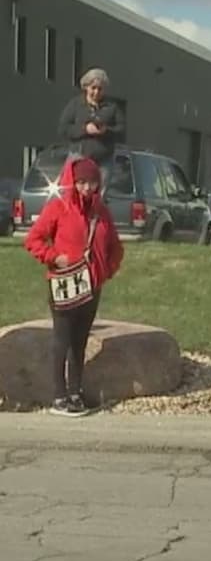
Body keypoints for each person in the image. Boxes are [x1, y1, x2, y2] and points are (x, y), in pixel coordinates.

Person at [24, 157, 124, 417]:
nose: (86, 188)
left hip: (91, 286)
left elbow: (115, 247)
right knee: (62, 339)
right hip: (64, 281)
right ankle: (59, 396)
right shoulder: (58, 207)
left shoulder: (101, 211)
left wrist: (105, 272)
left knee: (79, 341)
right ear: (72, 182)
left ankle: (76, 392)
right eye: (81, 182)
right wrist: (54, 257)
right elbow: (33, 239)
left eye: (91, 182)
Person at [58, 68, 125, 191]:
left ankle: (94, 210)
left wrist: (106, 131)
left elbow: (121, 130)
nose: (96, 92)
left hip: (103, 161)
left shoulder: (112, 107)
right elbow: (63, 128)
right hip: (78, 157)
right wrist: (85, 129)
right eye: (93, 88)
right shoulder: (75, 105)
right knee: (70, 190)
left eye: (100, 89)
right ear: (86, 87)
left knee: (98, 195)